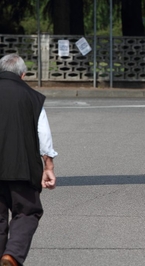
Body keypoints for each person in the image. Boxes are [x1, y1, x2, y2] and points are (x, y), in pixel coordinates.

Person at [0, 54, 57, 266]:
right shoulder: (32, 97)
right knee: (27, 211)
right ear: (23, 75)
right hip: (21, 167)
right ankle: (12, 254)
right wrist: (48, 166)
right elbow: (44, 134)